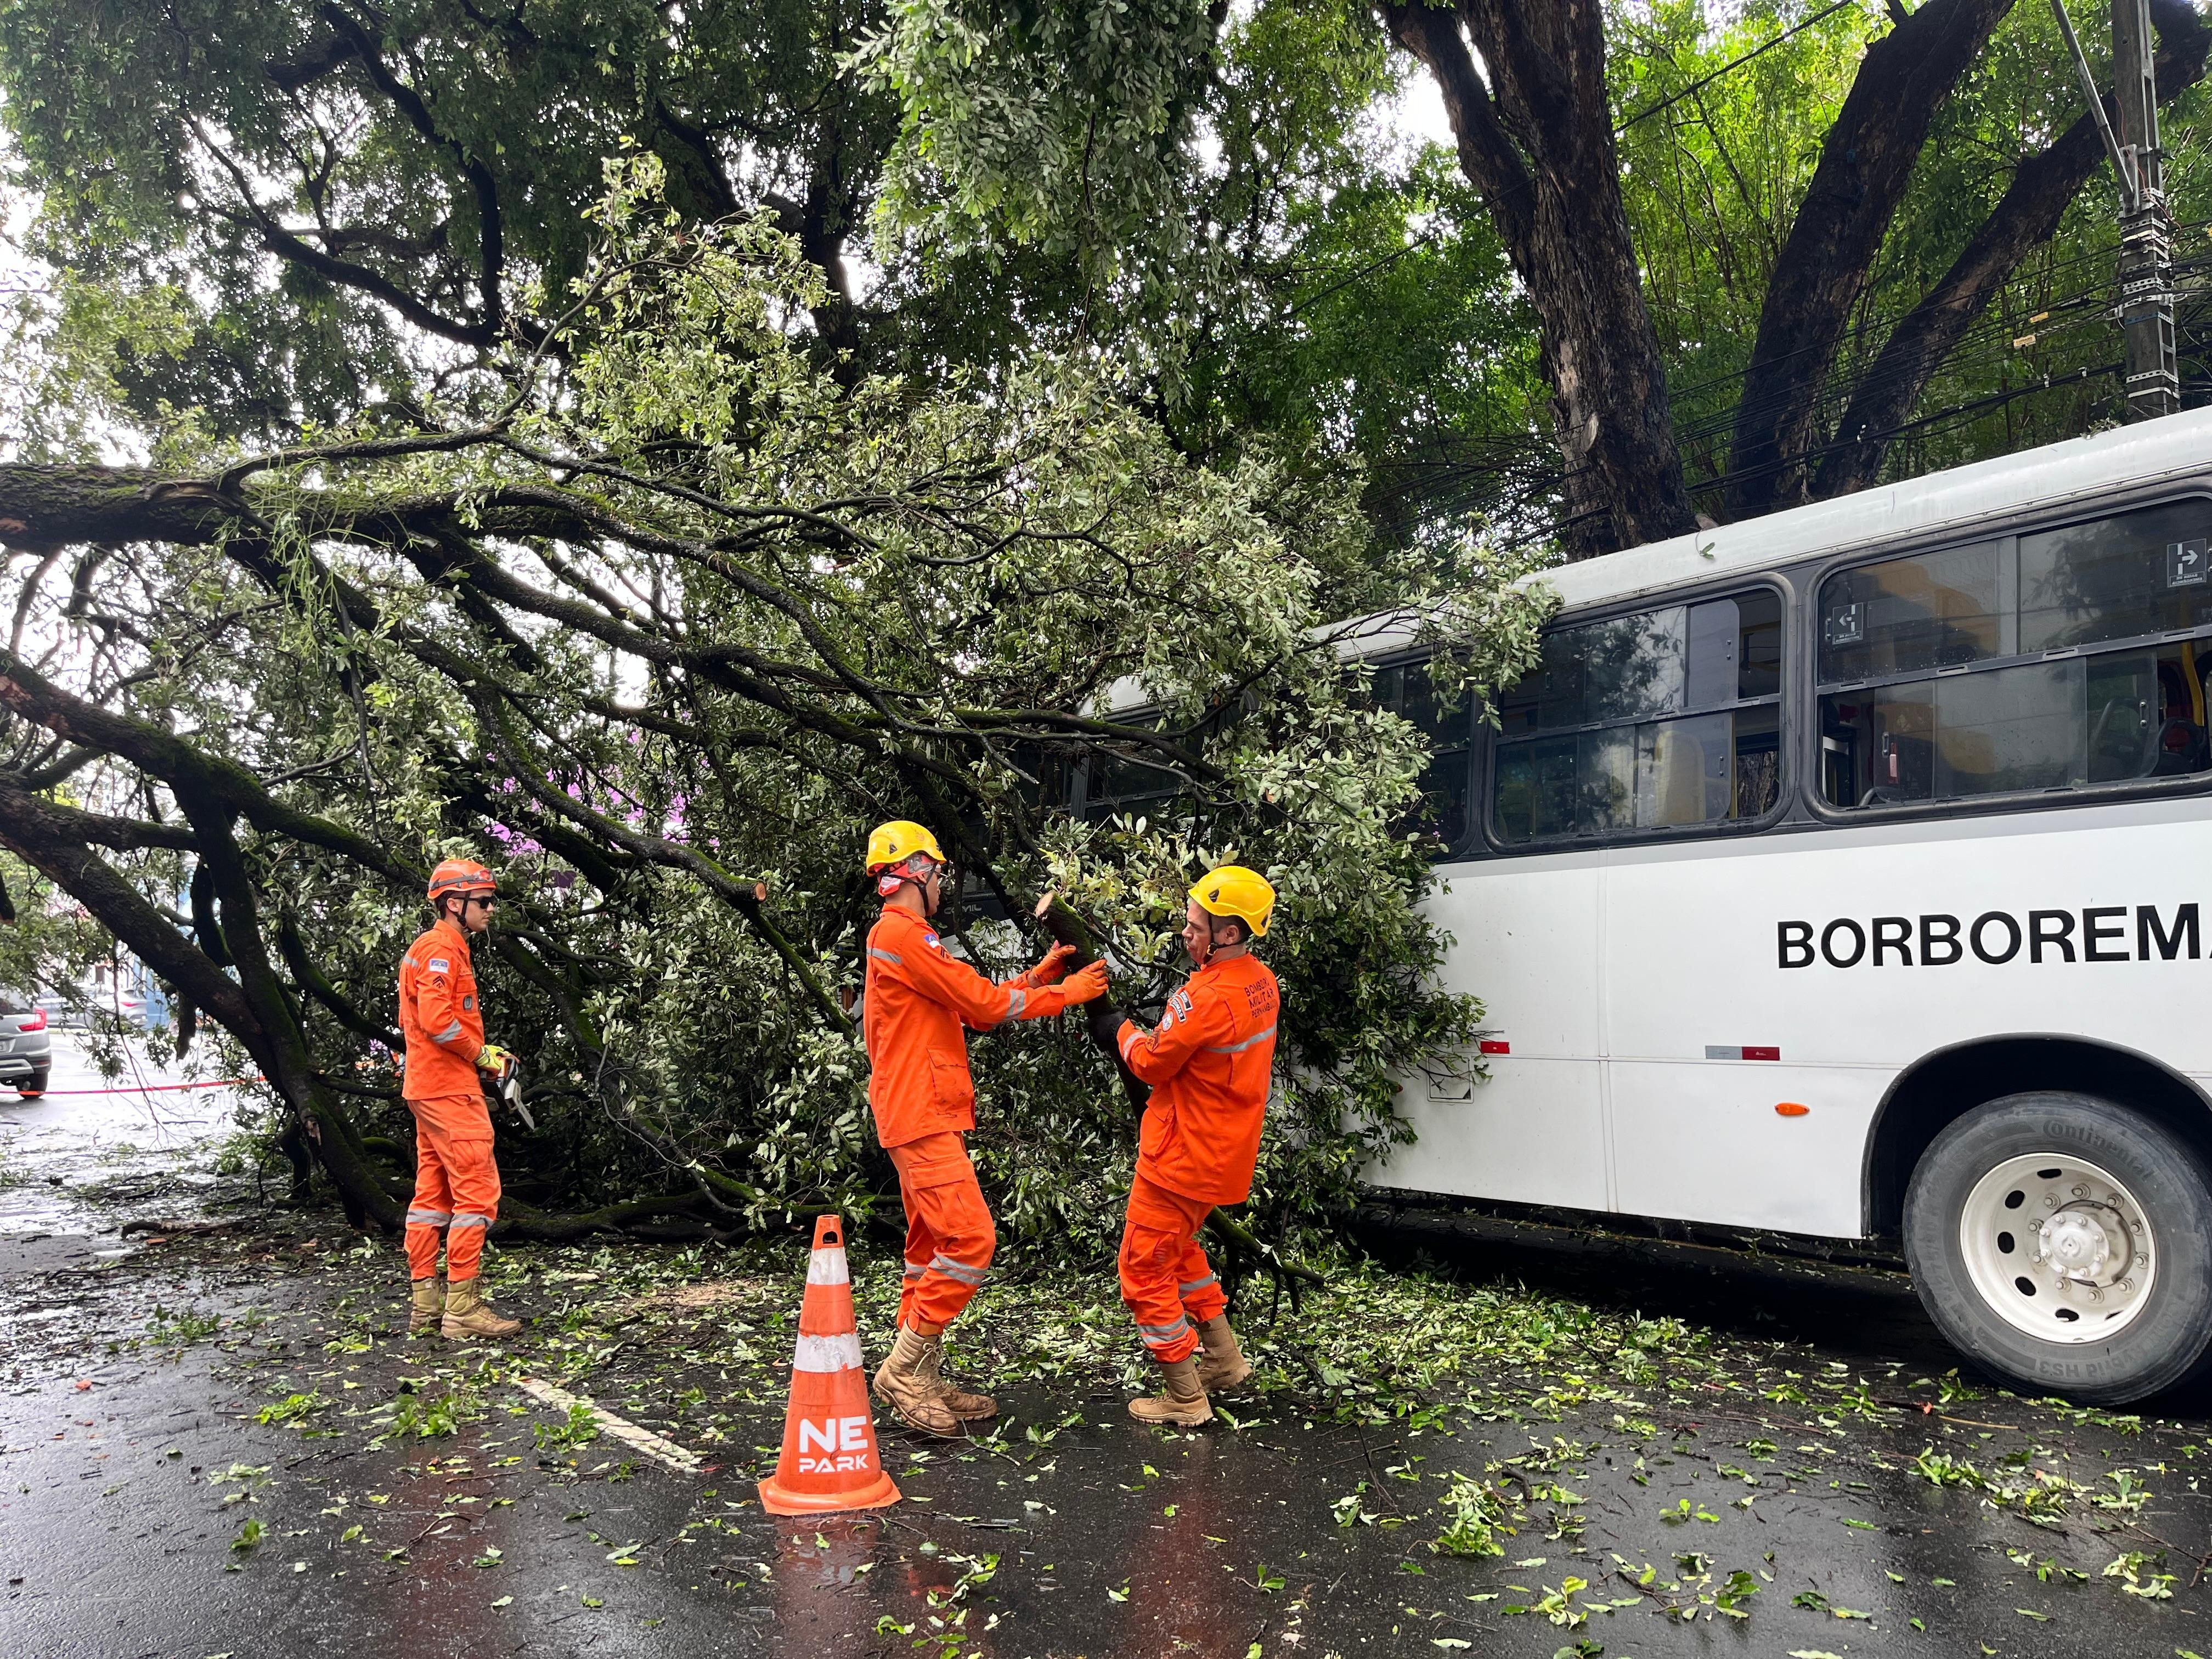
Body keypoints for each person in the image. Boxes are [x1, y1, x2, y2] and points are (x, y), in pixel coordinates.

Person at [861, 820, 1110, 1434]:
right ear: (918, 871)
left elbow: (974, 1007)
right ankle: (904, 1370)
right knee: (972, 1242)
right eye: (940, 872)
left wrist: (1040, 975)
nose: (943, 883)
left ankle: (925, 1372)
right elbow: (985, 1007)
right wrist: (1071, 992)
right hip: (919, 1112)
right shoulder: (903, 936)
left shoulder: (906, 940)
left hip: (920, 1110)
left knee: (927, 1252)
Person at [1114, 865, 1280, 1425]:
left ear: (1228, 934)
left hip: (1180, 1156)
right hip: (1219, 1156)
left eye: (1195, 927)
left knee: (1142, 1268)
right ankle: (1224, 1361)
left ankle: (1186, 1399)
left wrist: (1120, 1029)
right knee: (1179, 1251)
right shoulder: (1262, 982)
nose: (1186, 935)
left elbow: (1151, 1062)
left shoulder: (1205, 998)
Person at [398, 857, 524, 1341]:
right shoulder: (441, 951)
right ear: (456, 904)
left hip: (429, 1087)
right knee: (478, 1194)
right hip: (448, 1088)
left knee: (432, 1198)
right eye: (484, 902)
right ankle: (464, 1309)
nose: (490, 909)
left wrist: (480, 1053)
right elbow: (437, 1020)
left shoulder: (435, 948)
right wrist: (482, 1056)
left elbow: (426, 1022)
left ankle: (426, 1305)